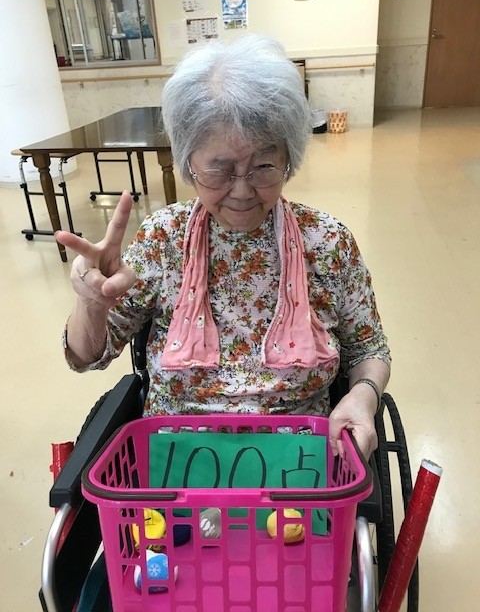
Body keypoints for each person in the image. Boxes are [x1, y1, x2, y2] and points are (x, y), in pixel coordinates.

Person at [56, 34, 390, 459]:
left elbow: (369, 349)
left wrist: (363, 395)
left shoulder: (326, 241)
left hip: (298, 464)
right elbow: (86, 358)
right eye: (220, 170)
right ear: (188, 164)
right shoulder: (163, 239)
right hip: (177, 465)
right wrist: (91, 305)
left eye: (264, 166)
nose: (242, 190)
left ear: (289, 159)